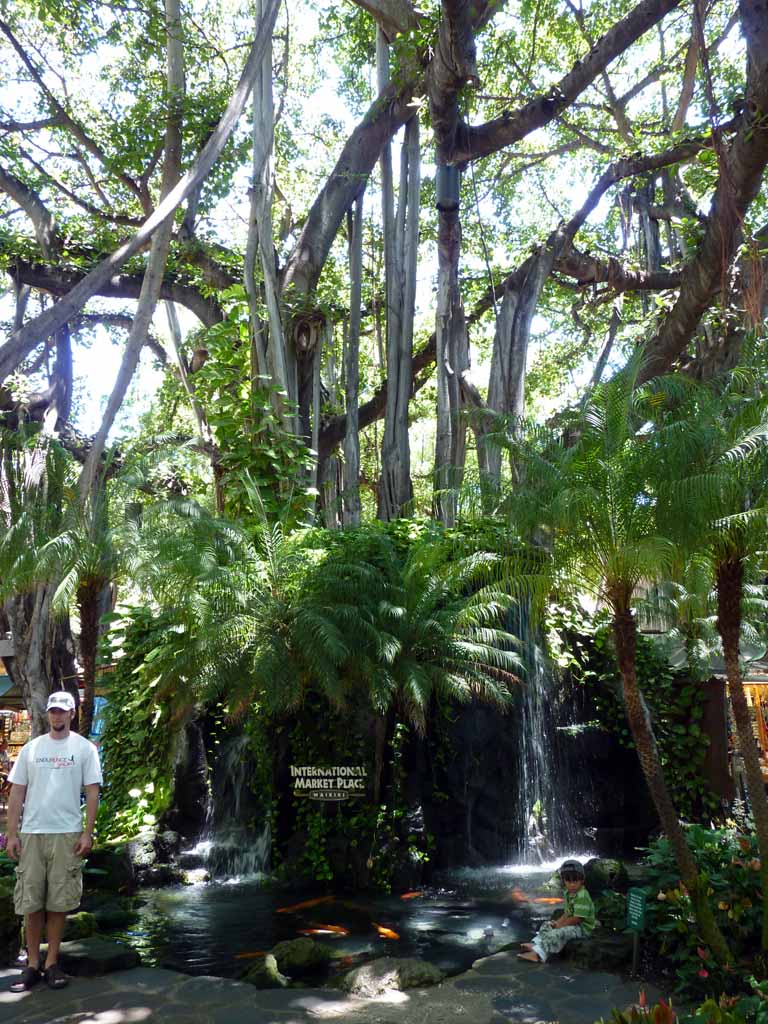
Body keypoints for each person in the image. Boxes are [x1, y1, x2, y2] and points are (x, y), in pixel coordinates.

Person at [5, 691, 102, 992]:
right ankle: (32, 965)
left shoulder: (84, 749)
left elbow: (93, 792)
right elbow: (17, 793)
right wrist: (11, 834)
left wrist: (87, 832)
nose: (57, 716)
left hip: (67, 833)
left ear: (72, 713)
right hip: (33, 833)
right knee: (31, 903)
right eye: (53, 711)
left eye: (62, 711)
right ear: (47, 714)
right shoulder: (31, 749)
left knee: (58, 903)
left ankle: (52, 964)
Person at [518, 859, 596, 962]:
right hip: (574, 924)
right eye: (568, 881)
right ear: (564, 881)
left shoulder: (582, 896)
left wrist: (560, 926)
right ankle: (535, 944)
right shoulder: (569, 893)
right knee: (547, 925)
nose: (572, 884)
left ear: (582, 880)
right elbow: (568, 912)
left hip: (582, 929)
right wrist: (557, 923)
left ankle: (539, 954)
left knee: (558, 933)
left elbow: (577, 919)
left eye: (575, 880)